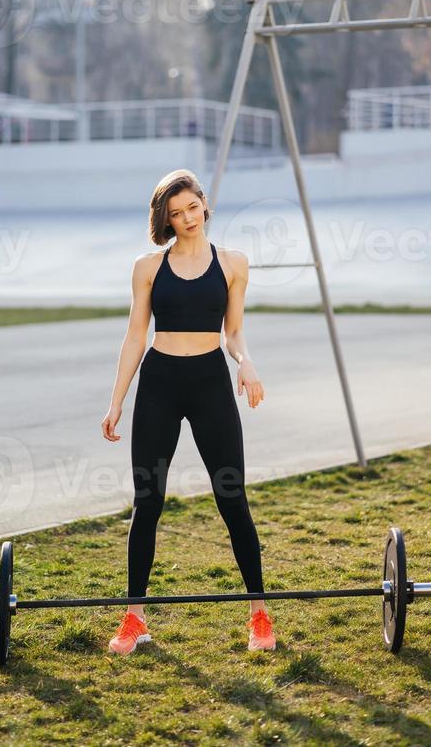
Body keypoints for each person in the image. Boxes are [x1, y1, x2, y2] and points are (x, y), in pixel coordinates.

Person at [101, 168, 275, 655]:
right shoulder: (148, 268)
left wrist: (247, 363)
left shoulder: (235, 263)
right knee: (148, 501)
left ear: (204, 204)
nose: (187, 218)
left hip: (210, 384)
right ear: (167, 219)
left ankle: (259, 615)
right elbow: (136, 335)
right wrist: (116, 401)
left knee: (232, 497)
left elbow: (234, 332)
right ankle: (135, 618)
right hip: (159, 383)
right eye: (176, 214)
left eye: (192, 208)